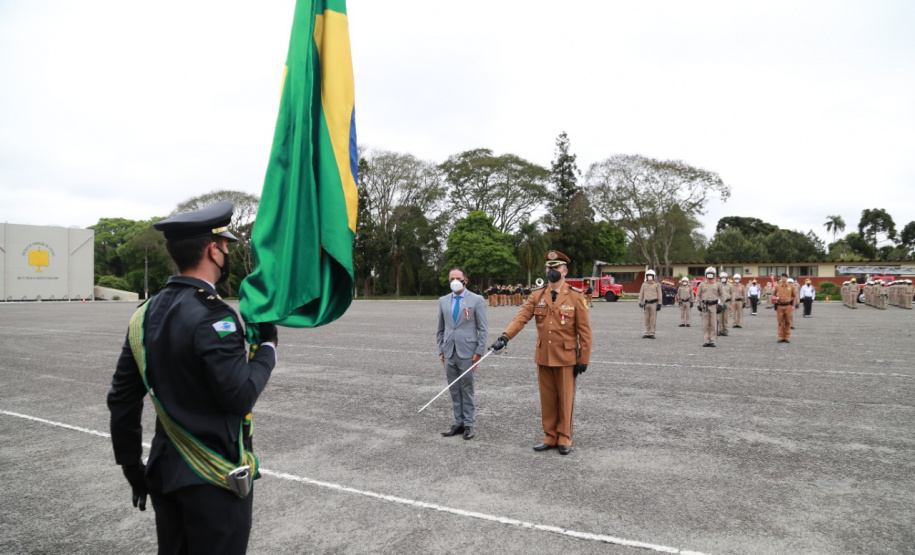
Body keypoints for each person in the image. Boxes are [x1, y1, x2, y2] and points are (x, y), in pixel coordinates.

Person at [107, 201, 278, 555]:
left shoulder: (145, 314)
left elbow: (122, 398)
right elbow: (240, 396)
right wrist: (268, 349)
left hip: (165, 471)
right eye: (227, 247)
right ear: (213, 251)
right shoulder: (214, 316)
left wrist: (130, 465)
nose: (228, 253)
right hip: (212, 478)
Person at [489, 250, 591, 455]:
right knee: (547, 398)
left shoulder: (575, 296)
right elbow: (521, 318)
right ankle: (550, 436)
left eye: (556, 268)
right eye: (549, 268)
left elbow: (585, 331)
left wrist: (584, 358)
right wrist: (504, 337)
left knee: (565, 398)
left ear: (565, 271)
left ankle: (565, 437)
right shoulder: (537, 295)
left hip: (566, 357)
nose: (552, 271)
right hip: (544, 355)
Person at [436, 266, 489, 440]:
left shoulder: (476, 300)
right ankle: (457, 423)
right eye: (451, 279)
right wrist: (440, 350)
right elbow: (441, 329)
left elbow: (483, 328)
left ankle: (468, 424)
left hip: (468, 352)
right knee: (454, 389)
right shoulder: (443, 300)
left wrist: (479, 352)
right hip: (449, 351)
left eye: (458, 278)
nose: (455, 282)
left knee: (467, 389)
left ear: (466, 280)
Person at [696, 267, 726, 347]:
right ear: (706, 274)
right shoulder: (702, 284)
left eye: (711, 273)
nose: (710, 275)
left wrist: (721, 305)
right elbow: (698, 295)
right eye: (708, 273)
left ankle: (712, 341)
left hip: (714, 305)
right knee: (705, 324)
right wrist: (698, 305)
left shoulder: (718, 284)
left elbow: (723, 295)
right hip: (705, 305)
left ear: (714, 275)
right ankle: (706, 340)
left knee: (713, 323)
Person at [773, 273, 797, 343]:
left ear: (787, 278)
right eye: (782, 277)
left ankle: (787, 337)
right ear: (781, 278)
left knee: (788, 322)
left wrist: (793, 305)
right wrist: (775, 298)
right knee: (780, 322)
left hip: (788, 306)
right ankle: (780, 337)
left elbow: (794, 296)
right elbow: (773, 295)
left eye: (785, 277)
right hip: (780, 306)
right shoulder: (777, 286)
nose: (783, 278)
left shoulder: (791, 286)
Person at [638, 269, 662, 338]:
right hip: (646, 303)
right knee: (646, 318)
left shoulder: (657, 285)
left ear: (653, 276)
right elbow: (641, 293)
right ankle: (647, 333)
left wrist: (659, 303)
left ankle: (652, 333)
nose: (649, 277)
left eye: (651, 276)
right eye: (648, 275)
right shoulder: (644, 284)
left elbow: (659, 294)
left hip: (654, 303)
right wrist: (640, 302)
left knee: (653, 319)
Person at [717, 271, 731, 336]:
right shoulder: (717, 285)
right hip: (720, 303)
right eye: (722, 278)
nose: (723, 279)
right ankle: (720, 330)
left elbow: (733, 294)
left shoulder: (730, 285)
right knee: (719, 318)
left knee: (726, 318)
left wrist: (731, 304)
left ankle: (725, 331)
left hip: (727, 302)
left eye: (724, 277)